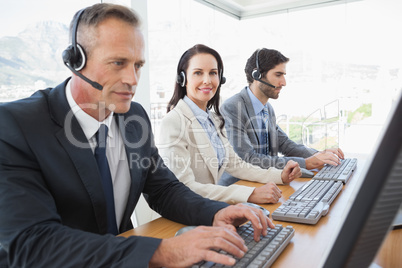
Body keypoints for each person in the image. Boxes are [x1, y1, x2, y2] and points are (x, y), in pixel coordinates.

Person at [0, 5, 276, 267]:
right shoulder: (15, 126)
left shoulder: (134, 118)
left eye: (138, 65)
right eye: (118, 63)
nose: (132, 79)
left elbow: (163, 189)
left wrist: (215, 212)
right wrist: (160, 251)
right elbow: (32, 243)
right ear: (76, 61)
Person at [158, 44, 301, 205]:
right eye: (198, 73)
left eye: (213, 73)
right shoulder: (173, 122)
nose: (207, 80)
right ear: (182, 79)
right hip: (185, 214)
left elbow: (236, 164)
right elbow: (185, 187)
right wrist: (250, 194)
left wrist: (279, 175)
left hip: (209, 208)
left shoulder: (215, 120)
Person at [220, 48, 344, 177]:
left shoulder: (267, 108)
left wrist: (319, 155)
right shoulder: (233, 107)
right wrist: (306, 163)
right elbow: (247, 159)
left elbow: (285, 144)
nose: (283, 83)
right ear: (257, 75)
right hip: (240, 186)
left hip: (267, 182)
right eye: (278, 75)